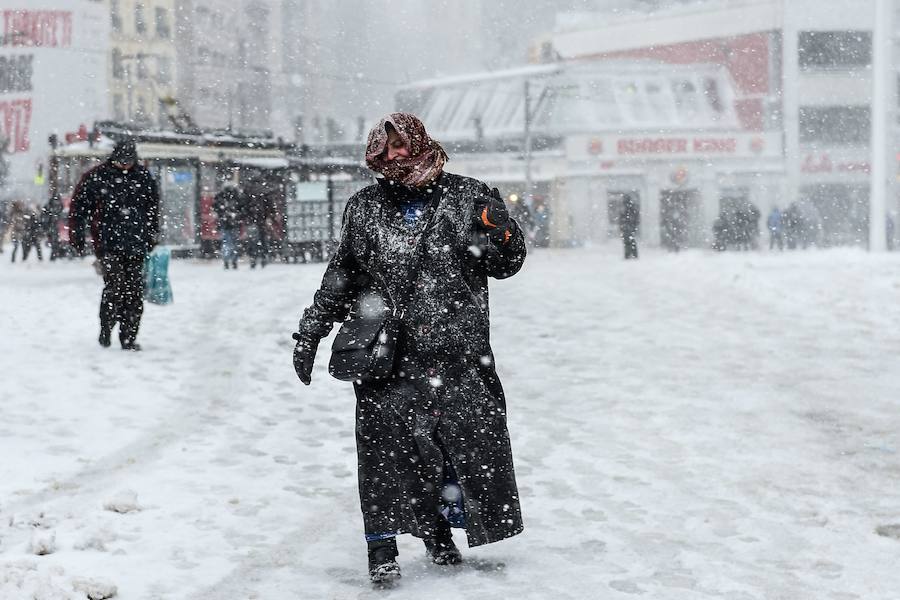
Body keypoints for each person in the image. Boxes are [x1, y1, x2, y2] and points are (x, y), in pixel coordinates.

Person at [292, 113, 526, 584]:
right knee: (384, 450)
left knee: (456, 446)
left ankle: (439, 531)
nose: (397, 155)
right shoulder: (364, 206)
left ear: (421, 142)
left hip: (457, 351)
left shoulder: (467, 197)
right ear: (377, 156)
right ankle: (381, 546)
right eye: (388, 148)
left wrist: (499, 231)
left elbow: (507, 263)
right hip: (386, 351)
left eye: (403, 145)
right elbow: (343, 274)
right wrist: (311, 329)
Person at [69, 139, 160, 351]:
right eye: (122, 162)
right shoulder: (97, 176)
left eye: (129, 162)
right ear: (114, 158)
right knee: (115, 287)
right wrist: (77, 236)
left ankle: (128, 337)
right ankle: (106, 327)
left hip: (136, 244)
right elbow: (79, 208)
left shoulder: (144, 177)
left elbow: (152, 209)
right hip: (108, 244)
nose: (125, 166)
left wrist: (152, 234)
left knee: (134, 292)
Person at [214, 182, 243, 269]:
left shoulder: (220, 196)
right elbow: (242, 208)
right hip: (234, 223)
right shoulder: (237, 197)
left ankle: (226, 260)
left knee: (226, 242)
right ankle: (234, 260)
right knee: (234, 242)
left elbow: (216, 208)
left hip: (224, 223)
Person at [619, 193, 639, 259]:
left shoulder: (627, 207)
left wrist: (622, 224)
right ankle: (632, 254)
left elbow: (623, 216)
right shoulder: (630, 207)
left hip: (628, 225)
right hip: (629, 225)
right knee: (630, 240)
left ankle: (629, 254)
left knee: (628, 240)